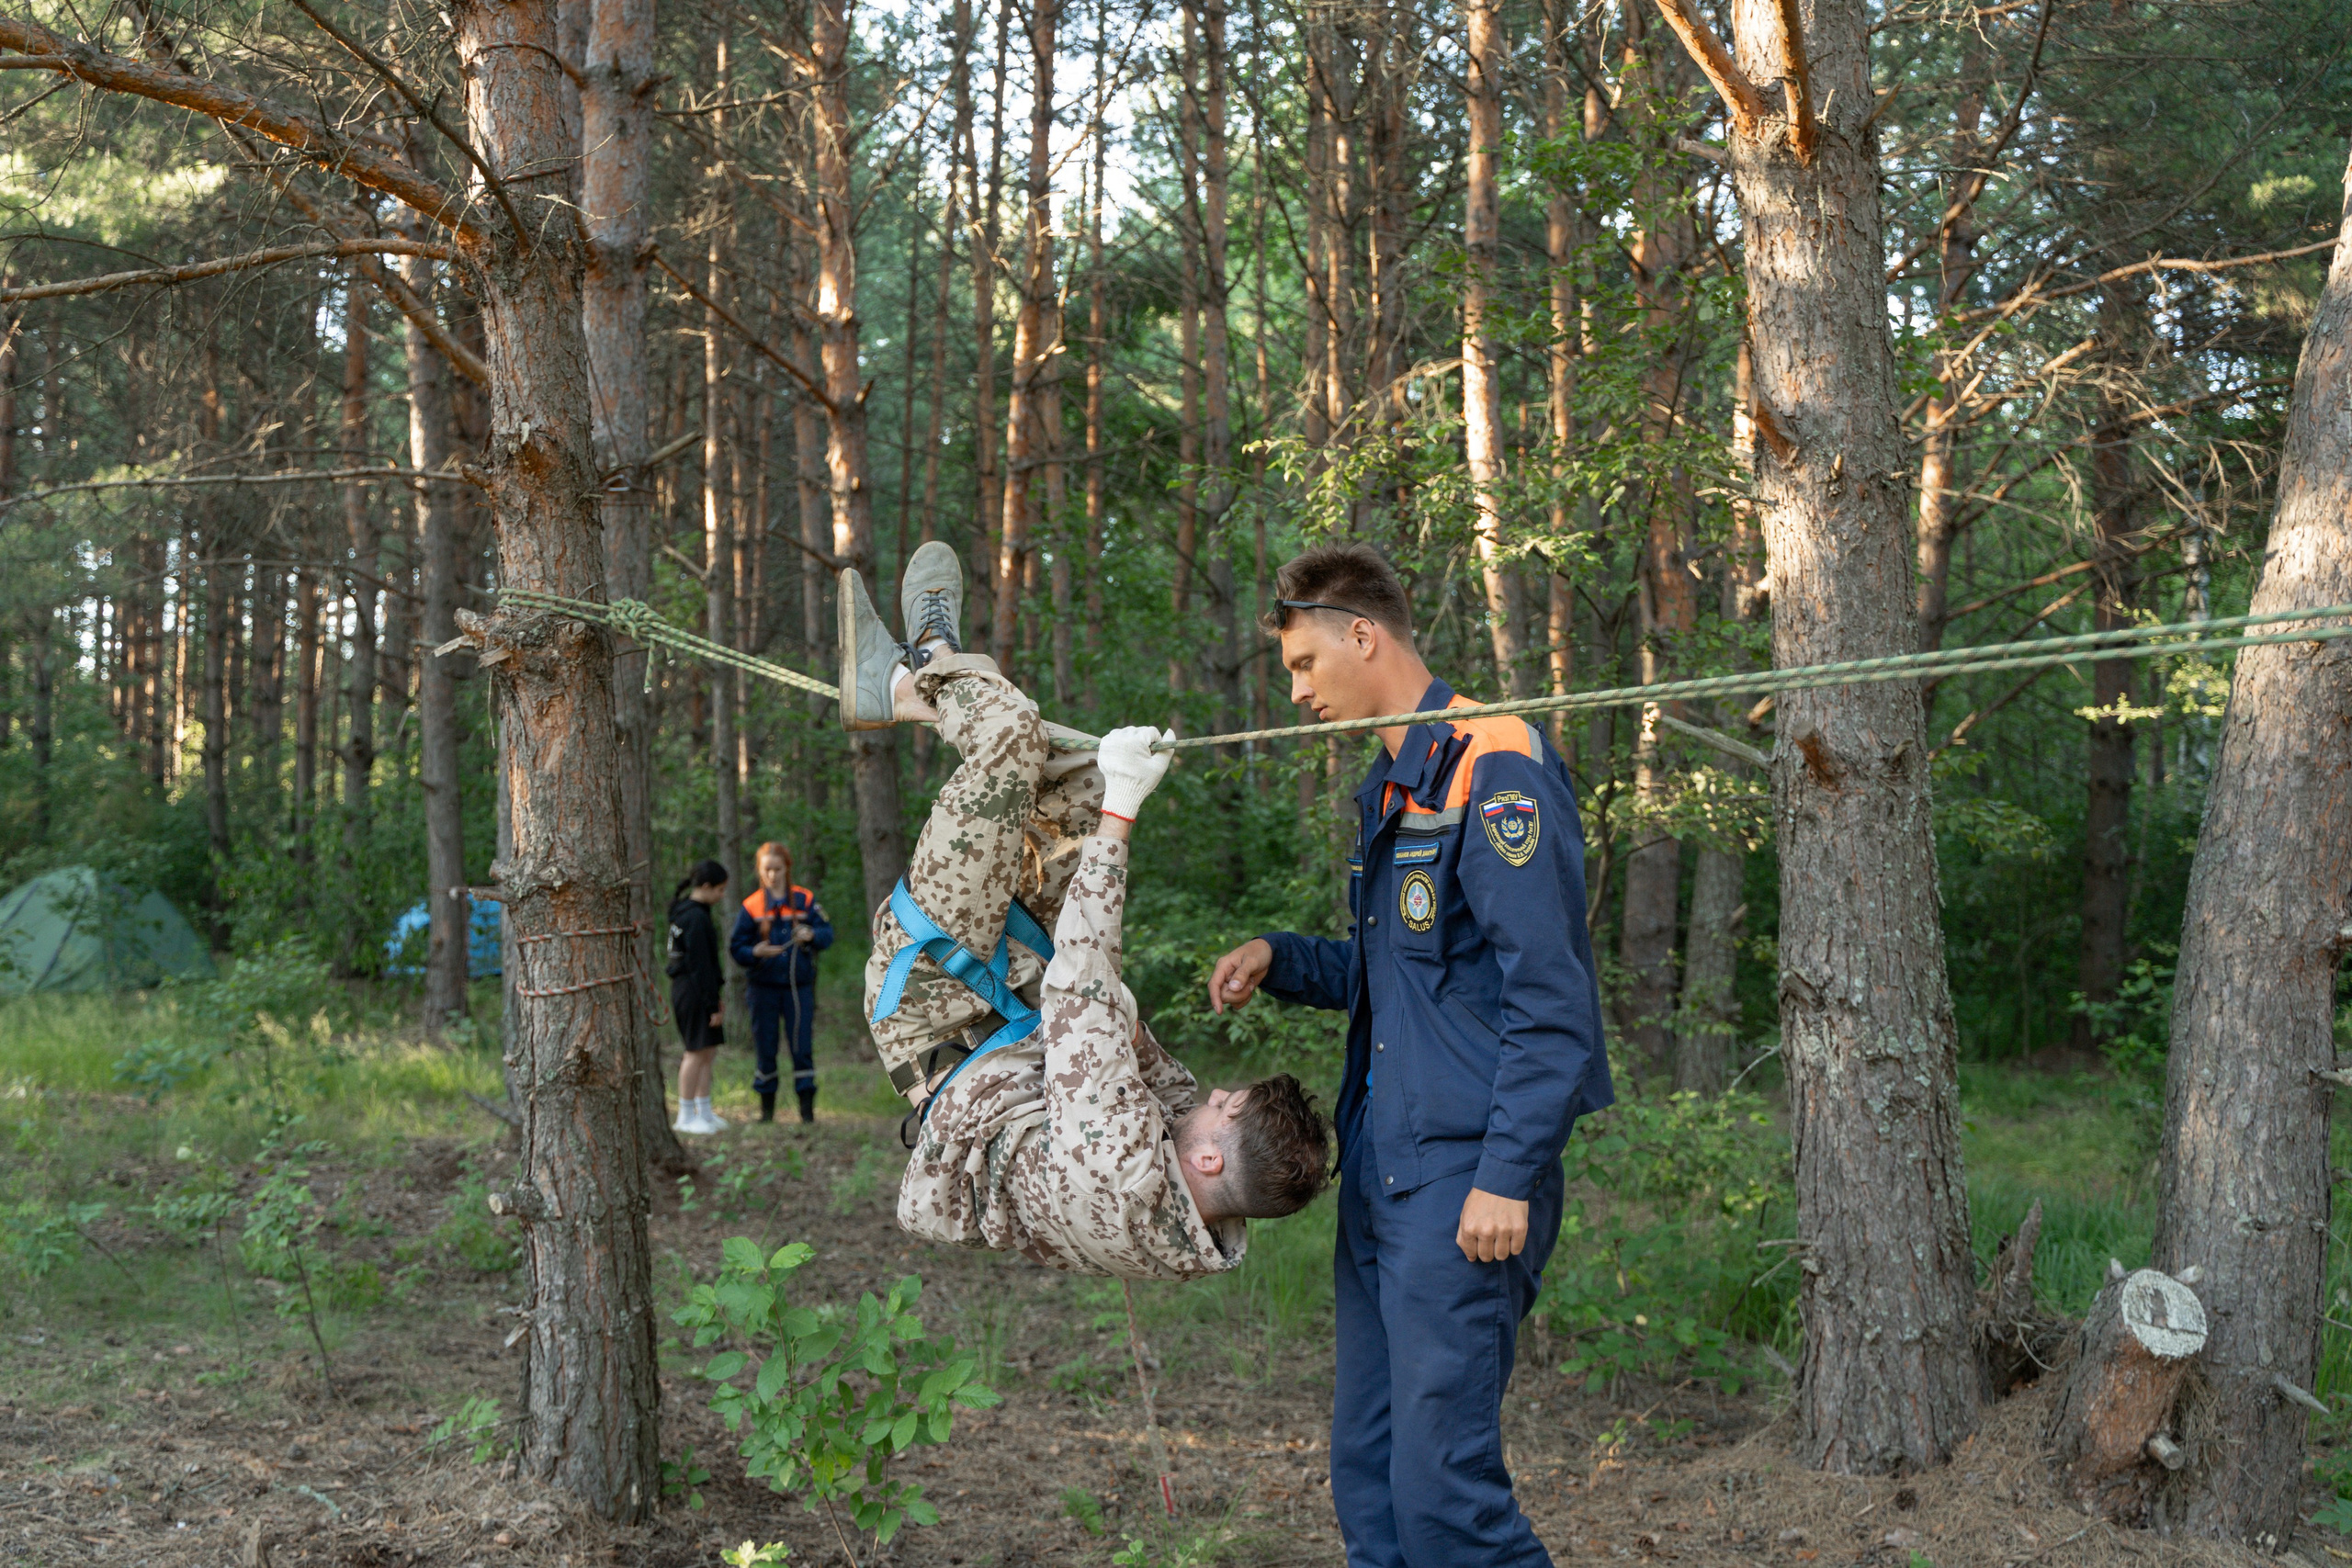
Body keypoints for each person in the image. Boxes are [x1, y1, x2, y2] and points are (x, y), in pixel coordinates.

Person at [1205, 542, 1611, 1568]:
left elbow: (1551, 999)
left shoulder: (1493, 760)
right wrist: (1282, 959)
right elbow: (1413, 982)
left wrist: (1506, 1177)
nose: (1297, 693)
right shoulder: (1394, 787)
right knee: (1371, 1470)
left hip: (1462, 1186)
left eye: (1303, 666)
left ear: (1362, 634)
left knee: (1444, 1496)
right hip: (1381, 1175)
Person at [835, 540, 1330, 1280]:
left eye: (1226, 1103)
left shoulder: (1122, 1169)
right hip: (1005, 1011)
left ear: (1207, 1154)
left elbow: (1082, 992)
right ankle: (932, 678)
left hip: (934, 1005)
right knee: (1086, 775)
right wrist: (1115, 787)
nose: (1214, 1089)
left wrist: (1124, 817)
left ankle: (913, 672)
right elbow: (1126, 1039)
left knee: (1009, 740)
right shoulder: (1190, 1195)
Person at [730, 842, 834, 1123]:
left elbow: (827, 934)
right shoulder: (751, 906)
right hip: (761, 988)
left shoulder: (804, 900)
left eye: (777, 869)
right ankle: (766, 1113)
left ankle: (807, 1112)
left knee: (801, 1047)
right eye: (767, 870)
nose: (773, 875)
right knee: (766, 1047)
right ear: (759, 871)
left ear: (787, 868)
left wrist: (811, 934)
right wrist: (755, 952)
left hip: (797, 988)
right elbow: (736, 947)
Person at [665, 860, 732, 1135]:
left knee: (708, 1049)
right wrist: (709, 1002)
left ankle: (703, 1110)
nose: (722, 895)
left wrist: (714, 998)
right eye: (719, 889)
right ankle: (684, 1113)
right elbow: (700, 966)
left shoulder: (697, 913)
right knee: (694, 1051)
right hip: (691, 991)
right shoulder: (693, 917)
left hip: (699, 990)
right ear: (705, 887)